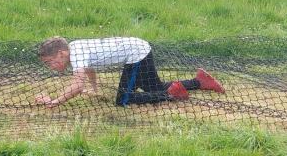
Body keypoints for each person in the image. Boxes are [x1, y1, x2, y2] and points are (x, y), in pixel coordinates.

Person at [35, 37, 225, 108]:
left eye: (50, 62)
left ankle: (171, 95)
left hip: (136, 55)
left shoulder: (76, 54)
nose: (51, 66)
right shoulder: (75, 47)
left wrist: (54, 102)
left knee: (123, 100)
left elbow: (77, 86)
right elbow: (89, 70)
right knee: (153, 86)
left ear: (61, 53)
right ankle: (200, 81)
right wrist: (94, 89)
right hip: (139, 47)